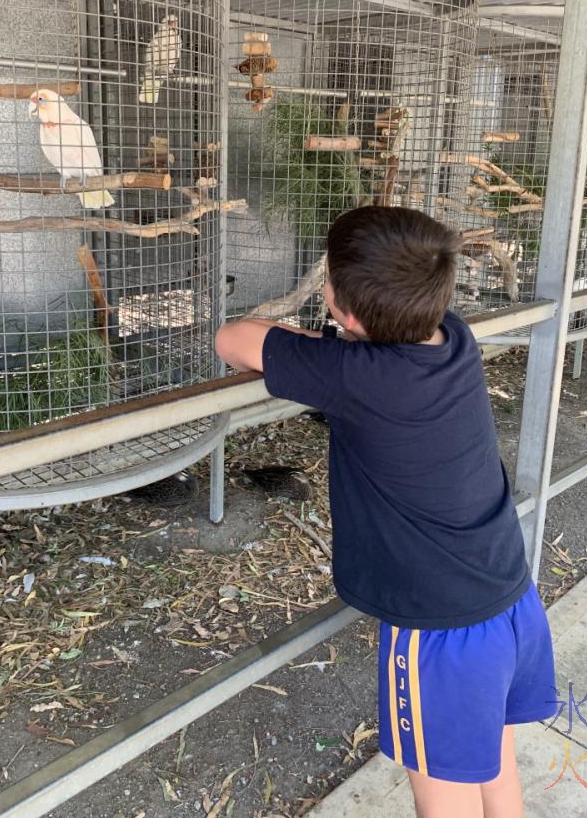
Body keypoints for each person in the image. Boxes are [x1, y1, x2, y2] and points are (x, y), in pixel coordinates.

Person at [215, 206, 555, 818]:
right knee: (494, 767)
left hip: (441, 628)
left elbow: (232, 340)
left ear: (339, 304)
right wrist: (336, 336)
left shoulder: (356, 375)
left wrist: (320, 337)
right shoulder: (453, 338)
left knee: (443, 796)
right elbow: (368, 351)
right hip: (509, 597)